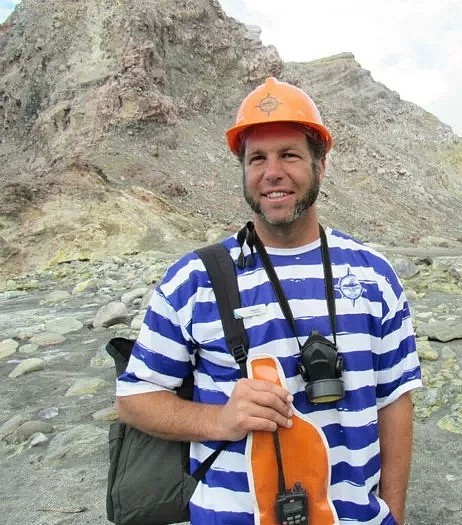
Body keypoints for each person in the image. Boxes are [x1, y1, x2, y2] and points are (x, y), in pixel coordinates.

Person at [116, 77, 422, 525]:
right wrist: (220, 421)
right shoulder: (194, 279)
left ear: (321, 165)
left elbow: (395, 400)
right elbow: (135, 396)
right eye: (257, 158)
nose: (272, 172)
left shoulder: (374, 275)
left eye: (290, 155)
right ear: (243, 170)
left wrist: (394, 512)